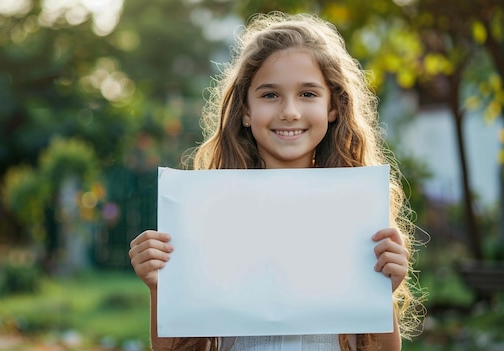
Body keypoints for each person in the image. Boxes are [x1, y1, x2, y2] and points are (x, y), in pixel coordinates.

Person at [128, 12, 423, 351]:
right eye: (270, 95)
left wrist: (382, 292)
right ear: (245, 110)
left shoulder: (359, 219)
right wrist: (160, 288)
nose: (289, 112)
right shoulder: (208, 214)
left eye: (308, 94)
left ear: (333, 107)